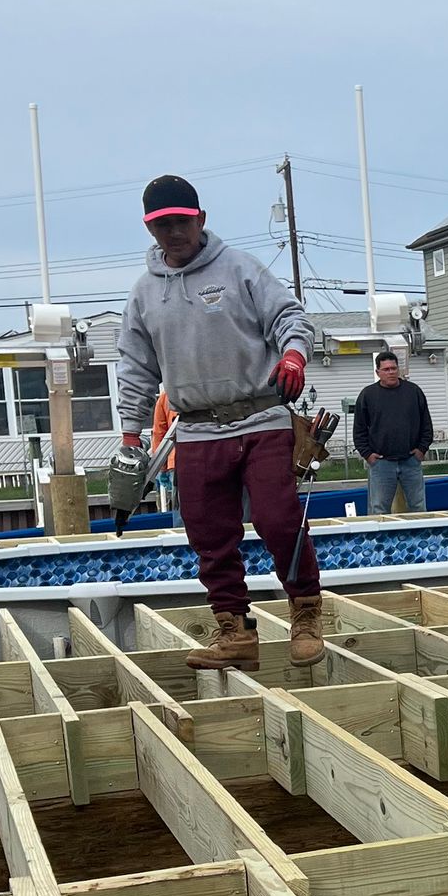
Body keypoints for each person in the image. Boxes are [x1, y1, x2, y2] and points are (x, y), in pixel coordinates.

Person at [116, 173, 326, 671]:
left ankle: (305, 611)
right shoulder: (144, 294)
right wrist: (131, 431)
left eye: (181, 222)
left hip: (260, 417)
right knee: (208, 534)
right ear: (149, 228)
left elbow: (290, 318)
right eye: (162, 225)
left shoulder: (240, 269)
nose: (173, 232)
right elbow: (135, 365)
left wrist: (293, 356)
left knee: (277, 519)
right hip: (196, 427)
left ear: (201, 219)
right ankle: (235, 630)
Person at [351, 348, 433, 517]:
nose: (391, 372)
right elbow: (359, 430)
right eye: (386, 369)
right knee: (378, 510)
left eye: (394, 368)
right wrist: (368, 455)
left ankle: (419, 534)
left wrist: (421, 450)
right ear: (378, 372)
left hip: (411, 462)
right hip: (381, 464)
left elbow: (426, 425)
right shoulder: (367, 395)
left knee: (418, 508)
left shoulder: (413, 392)